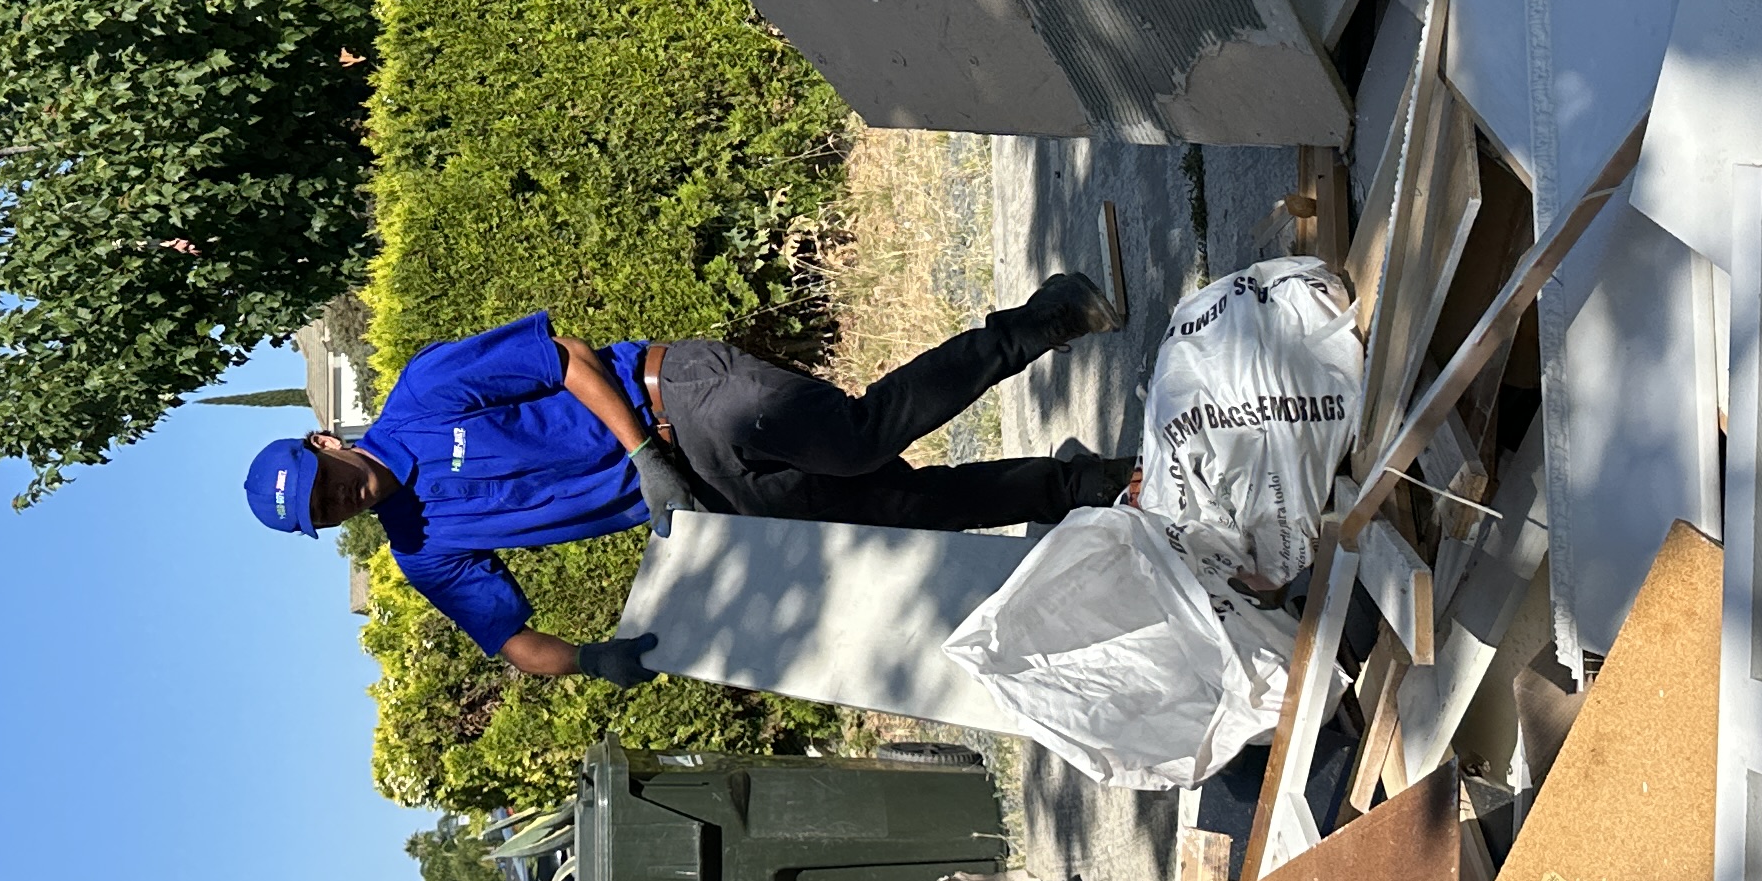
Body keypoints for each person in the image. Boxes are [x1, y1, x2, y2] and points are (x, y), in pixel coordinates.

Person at [243, 275, 1133, 681]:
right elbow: (517, 647)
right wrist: (598, 659)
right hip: (704, 498)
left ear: (324, 441)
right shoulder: (425, 551)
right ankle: (1076, 487)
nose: (340, 499)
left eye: (324, 481)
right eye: (325, 515)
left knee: (859, 438)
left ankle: (1045, 319)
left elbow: (566, 360)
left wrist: (640, 453)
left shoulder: (426, 392)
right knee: (901, 513)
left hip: (686, 402)